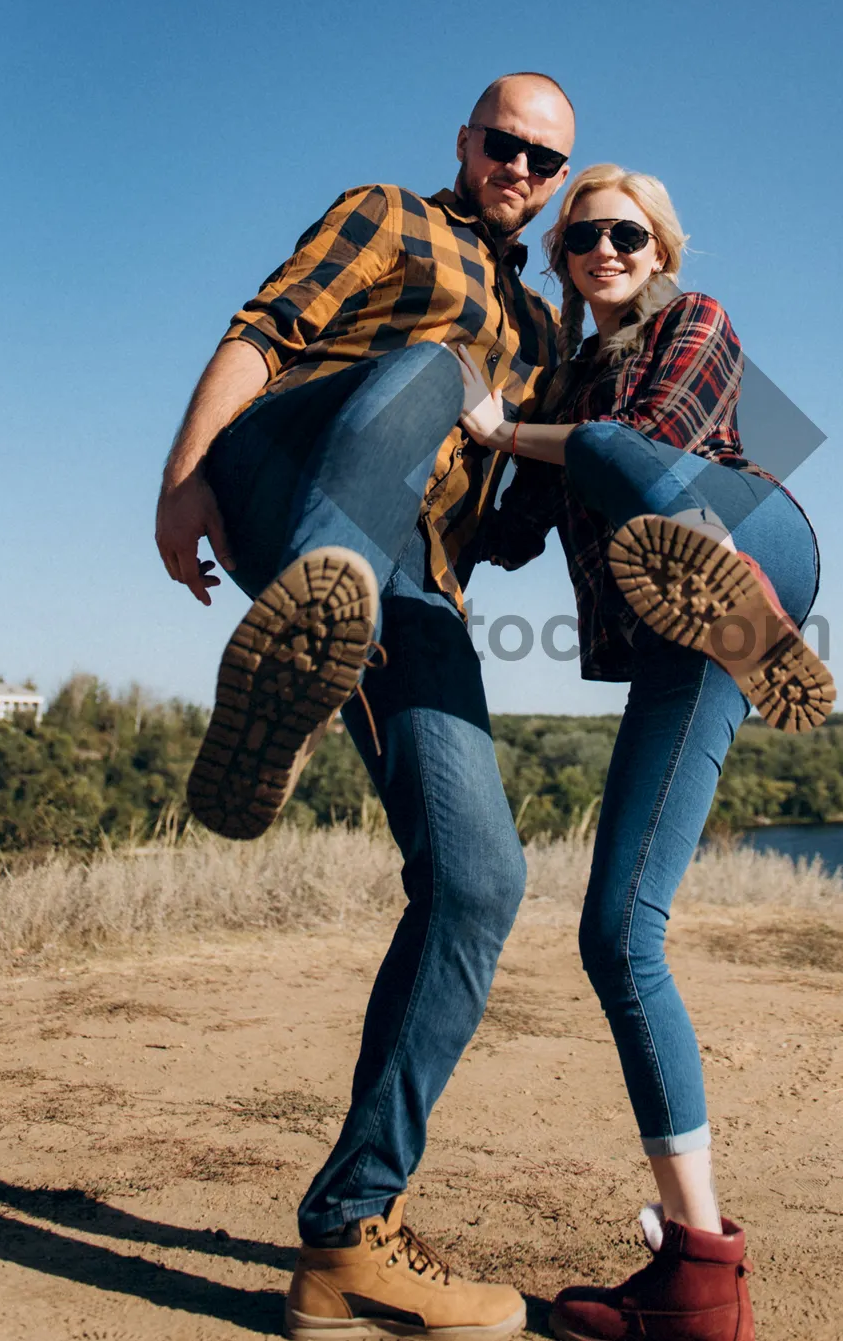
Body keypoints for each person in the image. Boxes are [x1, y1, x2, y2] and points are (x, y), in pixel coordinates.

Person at [154, 73, 575, 1341]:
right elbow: (263, 331)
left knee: (481, 882)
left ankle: (348, 1237)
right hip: (290, 470)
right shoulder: (395, 216)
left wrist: (631, 467)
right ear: (466, 143)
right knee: (437, 369)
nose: (521, 171)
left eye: (546, 162)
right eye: (504, 145)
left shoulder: (550, 337)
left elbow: (503, 537)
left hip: (412, 580)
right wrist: (179, 488)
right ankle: (310, 610)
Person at [457, 163, 835, 1341]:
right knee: (617, 932)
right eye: (583, 240)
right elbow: (512, 531)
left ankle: (756, 615)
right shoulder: (566, 377)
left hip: (755, 535)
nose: (604, 250)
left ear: (660, 247)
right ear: (565, 262)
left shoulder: (696, 322)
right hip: (682, 628)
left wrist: (507, 426)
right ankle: (699, 1271)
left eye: (625, 233)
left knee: (618, 448)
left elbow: (653, 442)